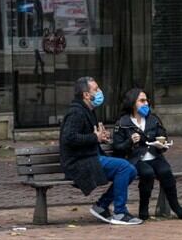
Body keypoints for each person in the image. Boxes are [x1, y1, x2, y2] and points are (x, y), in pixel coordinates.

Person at [59, 76, 143, 225]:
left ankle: (101, 205)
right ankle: (120, 213)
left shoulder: (87, 110)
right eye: (96, 89)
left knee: (130, 170)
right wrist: (94, 137)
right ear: (86, 95)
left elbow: (86, 137)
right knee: (123, 167)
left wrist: (101, 138)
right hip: (79, 163)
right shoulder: (76, 112)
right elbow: (69, 138)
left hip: (89, 157)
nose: (100, 92)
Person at [112, 88, 182, 220]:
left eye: (147, 100)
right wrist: (130, 141)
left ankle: (176, 206)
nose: (146, 103)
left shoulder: (153, 119)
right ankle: (143, 208)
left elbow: (162, 135)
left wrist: (161, 144)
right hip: (136, 159)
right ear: (132, 103)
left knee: (165, 171)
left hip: (154, 155)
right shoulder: (123, 123)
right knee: (147, 173)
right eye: (142, 100)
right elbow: (117, 148)